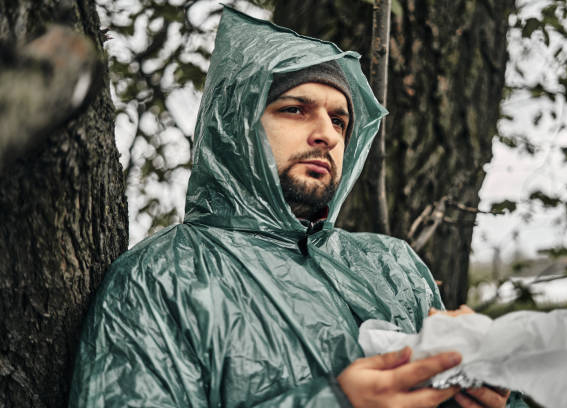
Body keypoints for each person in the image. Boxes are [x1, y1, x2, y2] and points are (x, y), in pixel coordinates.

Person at [70, 8, 526, 408]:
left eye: (340, 120)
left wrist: (493, 393)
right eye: (295, 110)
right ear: (237, 127)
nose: (327, 134)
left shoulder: (393, 267)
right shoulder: (160, 277)